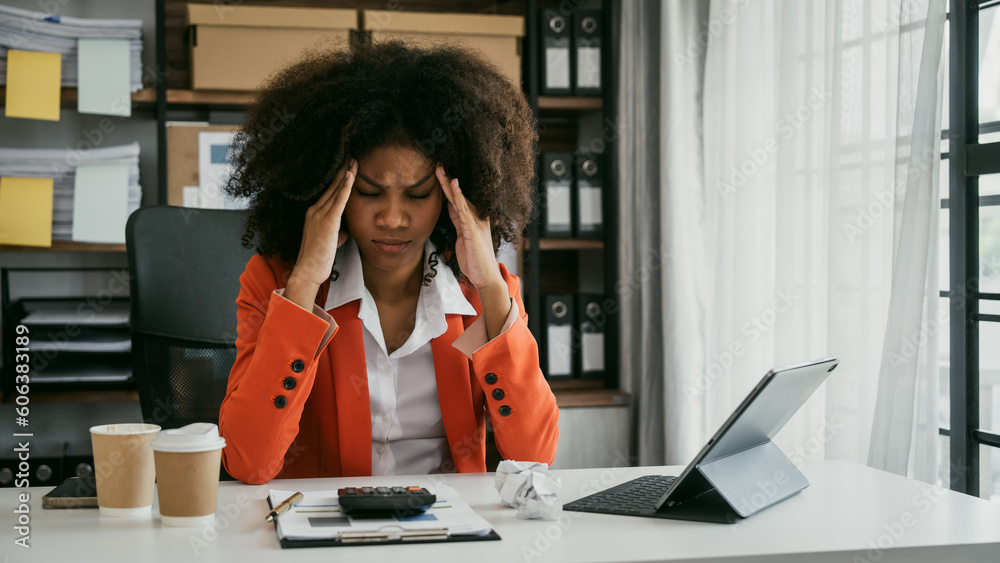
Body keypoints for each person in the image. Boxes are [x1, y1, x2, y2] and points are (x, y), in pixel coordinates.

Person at [218, 41, 559, 485]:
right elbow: (248, 462)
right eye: (369, 192)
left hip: (448, 538)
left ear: (454, 197)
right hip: (326, 543)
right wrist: (303, 283)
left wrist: (492, 288)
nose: (393, 219)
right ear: (327, 188)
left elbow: (535, 457)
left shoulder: (486, 293)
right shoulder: (276, 283)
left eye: (417, 195)